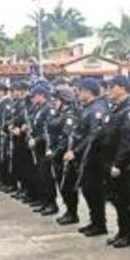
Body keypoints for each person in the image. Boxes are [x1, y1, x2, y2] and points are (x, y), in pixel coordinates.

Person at [102, 75, 130, 248]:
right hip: (111, 161)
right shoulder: (116, 109)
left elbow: (127, 141)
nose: (109, 91)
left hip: (124, 165)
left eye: (112, 87)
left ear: (123, 88)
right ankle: (121, 231)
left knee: (125, 200)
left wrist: (118, 163)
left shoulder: (129, 110)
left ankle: (128, 234)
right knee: (117, 200)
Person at [72, 78, 109, 237]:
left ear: (88, 91)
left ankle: (99, 223)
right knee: (88, 190)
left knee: (94, 191)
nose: (78, 93)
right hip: (85, 156)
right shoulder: (87, 108)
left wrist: (77, 151)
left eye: (79, 90)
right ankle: (94, 221)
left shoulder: (96, 109)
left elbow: (93, 135)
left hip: (93, 157)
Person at [51, 85, 82, 225]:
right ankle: (69, 211)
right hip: (58, 154)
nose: (54, 102)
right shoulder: (60, 114)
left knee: (67, 185)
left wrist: (56, 152)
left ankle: (72, 212)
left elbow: (67, 137)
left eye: (56, 100)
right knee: (62, 185)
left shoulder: (70, 115)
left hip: (65, 156)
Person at [28, 82, 59, 215]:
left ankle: (51, 203)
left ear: (41, 96)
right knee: (40, 176)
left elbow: (48, 131)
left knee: (47, 177)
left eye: (34, 96)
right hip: (37, 148)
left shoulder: (48, 109)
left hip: (45, 147)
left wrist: (36, 139)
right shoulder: (37, 109)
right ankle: (44, 201)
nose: (32, 99)